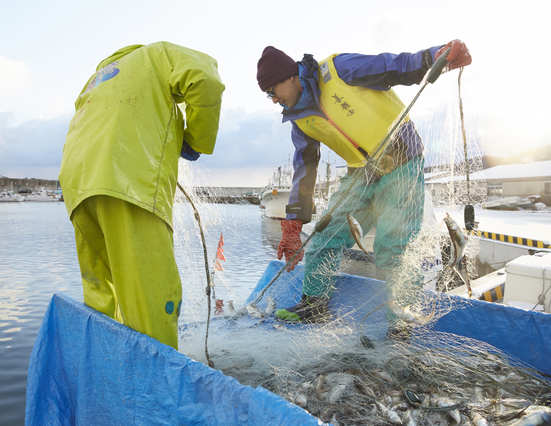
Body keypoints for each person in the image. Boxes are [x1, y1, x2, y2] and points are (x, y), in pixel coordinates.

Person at [256, 40, 471, 324]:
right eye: (268, 95)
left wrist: (434, 57)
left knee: (391, 249)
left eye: (273, 91)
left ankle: (401, 322)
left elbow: (391, 66)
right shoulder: (299, 118)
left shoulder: (337, 69)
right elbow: (304, 167)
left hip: (402, 159)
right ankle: (315, 304)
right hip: (361, 172)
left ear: (290, 76)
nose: (273, 99)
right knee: (324, 238)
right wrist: (293, 224)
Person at [59, 42, 224, 349]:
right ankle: (158, 390)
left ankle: (107, 375)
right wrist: (197, 140)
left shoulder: (98, 78)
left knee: (101, 299)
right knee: (152, 298)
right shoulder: (157, 54)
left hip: (77, 187)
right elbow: (204, 78)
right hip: (127, 183)